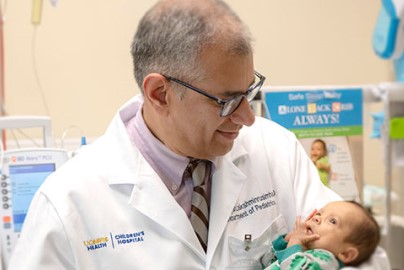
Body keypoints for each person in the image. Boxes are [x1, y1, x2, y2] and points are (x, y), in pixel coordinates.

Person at [8, 0, 341, 269]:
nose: (248, 118)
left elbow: (356, 248)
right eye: (226, 102)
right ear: (159, 94)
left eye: (249, 92)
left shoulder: (276, 150)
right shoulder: (69, 204)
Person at [262, 201, 380, 269]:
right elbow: (267, 262)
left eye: (332, 221)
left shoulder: (325, 260)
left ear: (346, 254)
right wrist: (287, 240)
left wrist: (294, 243)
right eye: (319, 213)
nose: (317, 218)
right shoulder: (303, 251)